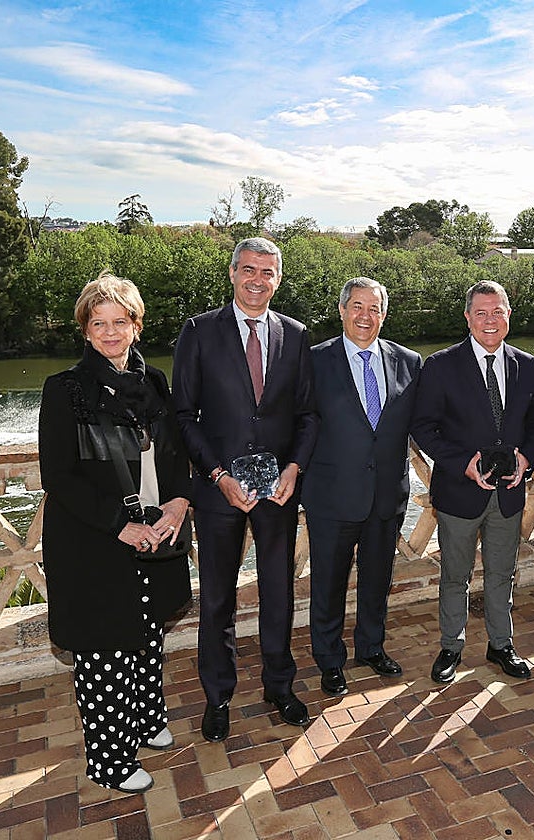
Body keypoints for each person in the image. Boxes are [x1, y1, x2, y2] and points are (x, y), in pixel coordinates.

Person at [39, 271, 192, 794]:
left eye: (119, 321)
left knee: (148, 632)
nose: (110, 332)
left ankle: (147, 725)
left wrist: (178, 499)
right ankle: (110, 762)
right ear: (85, 330)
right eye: (98, 323)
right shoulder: (66, 390)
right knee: (105, 647)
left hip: (156, 528)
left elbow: (173, 452)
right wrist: (119, 525)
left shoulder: (154, 384)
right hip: (95, 540)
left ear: (136, 326)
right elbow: (58, 477)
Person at [173, 237, 317, 741]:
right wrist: (218, 475)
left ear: (278, 279)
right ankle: (218, 696)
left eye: (268, 272)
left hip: (278, 490)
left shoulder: (295, 335)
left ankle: (280, 686)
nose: (258, 280)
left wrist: (296, 468)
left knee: (279, 590)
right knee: (217, 598)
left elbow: (307, 414)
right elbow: (183, 416)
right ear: (232, 273)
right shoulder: (199, 331)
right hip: (218, 491)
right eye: (249, 270)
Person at [411, 280, 534, 683]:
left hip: (508, 494)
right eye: (482, 312)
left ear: (509, 315)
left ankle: (500, 644)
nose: (490, 320)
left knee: (503, 573)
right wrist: (461, 463)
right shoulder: (440, 365)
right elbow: (424, 427)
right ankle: (451, 646)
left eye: (498, 312)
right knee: (456, 574)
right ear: (468, 317)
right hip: (458, 492)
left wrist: (526, 456)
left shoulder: (527, 365)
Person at [304, 277, 421, 696]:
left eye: (374, 308)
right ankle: (329, 660)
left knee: (377, 579)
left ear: (384, 315)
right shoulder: (314, 361)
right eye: (357, 306)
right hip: (331, 495)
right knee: (329, 584)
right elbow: (297, 423)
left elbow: (422, 426)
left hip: (387, 495)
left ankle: (371, 647)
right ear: (341, 310)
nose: (365, 316)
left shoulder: (409, 362)